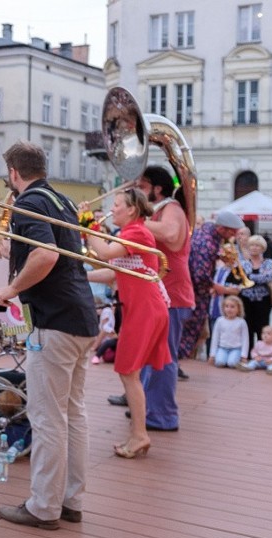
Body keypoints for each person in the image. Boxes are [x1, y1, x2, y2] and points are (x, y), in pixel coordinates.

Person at [0, 141, 98, 530]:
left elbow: (46, 255)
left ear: (14, 173)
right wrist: (13, 251)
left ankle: (43, 507)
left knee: (47, 417)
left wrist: (11, 289)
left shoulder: (28, 203)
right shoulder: (61, 201)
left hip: (53, 321)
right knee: (74, 413)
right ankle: (70, 500)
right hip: (81, 317)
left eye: (8, 175)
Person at [109, 166, 195, 432]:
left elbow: (170, 234)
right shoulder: (159, 211)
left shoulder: (172, 209)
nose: (138, 190)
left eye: (142, 186)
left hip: (170, 296)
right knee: (148, 358)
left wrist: (134, 216)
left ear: (157, 188)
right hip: (154, 296)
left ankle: (163, 415)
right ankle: (144, 409)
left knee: (164, 359)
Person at [86, 189, 170, 458]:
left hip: (144, 309)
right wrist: (81, 277)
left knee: (128, 372)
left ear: (132, 209)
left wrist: (88, 224)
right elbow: (114, 271)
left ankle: (140, 435)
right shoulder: (132, 233)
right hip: (142, 308)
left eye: (117, 204)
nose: (114, 208)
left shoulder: (135, 232)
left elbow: (103, 253)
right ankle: (138, 432)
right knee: (129, 373)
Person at [180, 211, 245, 361]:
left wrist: (218, 256)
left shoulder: (205, 231)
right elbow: (201, 275)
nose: (233, 236)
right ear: (222, 229)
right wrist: (219, 288)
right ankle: (172, 365)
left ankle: (174, 365)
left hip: (188, 289)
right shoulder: (208, 243)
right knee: (189, 330)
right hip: (195, 293)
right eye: (232, 232)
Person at [239, 235, 272, 352]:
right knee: (247, 327)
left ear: (262, 248)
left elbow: (268, 277)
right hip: (246, 299)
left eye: (257, 246)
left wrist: (250, 277)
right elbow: (241, 278)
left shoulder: (269, 262)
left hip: (263, 300)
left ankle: (263, 353)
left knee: (262, 327)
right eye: (252, 245)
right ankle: (248, 353)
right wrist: (254, 278)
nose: (254, 248)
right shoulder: (244, 263)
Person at [209, 296, 249, 368]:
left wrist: (244, 355)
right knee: (219, 362)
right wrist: (212, 354)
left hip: (236, 348)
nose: (229, 309)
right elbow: (215, 338)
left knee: (232, 363)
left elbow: (245, 339)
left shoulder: (241, 322)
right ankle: (223, 358)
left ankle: (235, 358)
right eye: (227, 306)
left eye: (232, 307)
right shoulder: (220, 321)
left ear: (238, 309)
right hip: (222, 348)